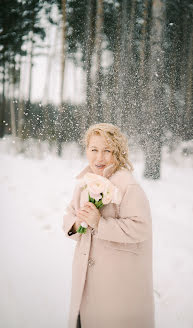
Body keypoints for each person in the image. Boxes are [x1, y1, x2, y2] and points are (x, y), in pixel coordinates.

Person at [62, 123, 155, 328]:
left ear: (118, 152)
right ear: (86, 150)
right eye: (94, 150)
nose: (99, 157)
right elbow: (69, 216)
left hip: (116, 284)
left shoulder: (127, 185)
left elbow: (141, 227)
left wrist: (100, 223)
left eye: (107, 151)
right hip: (86, 281)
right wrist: (77, 224)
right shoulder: (85, 182)